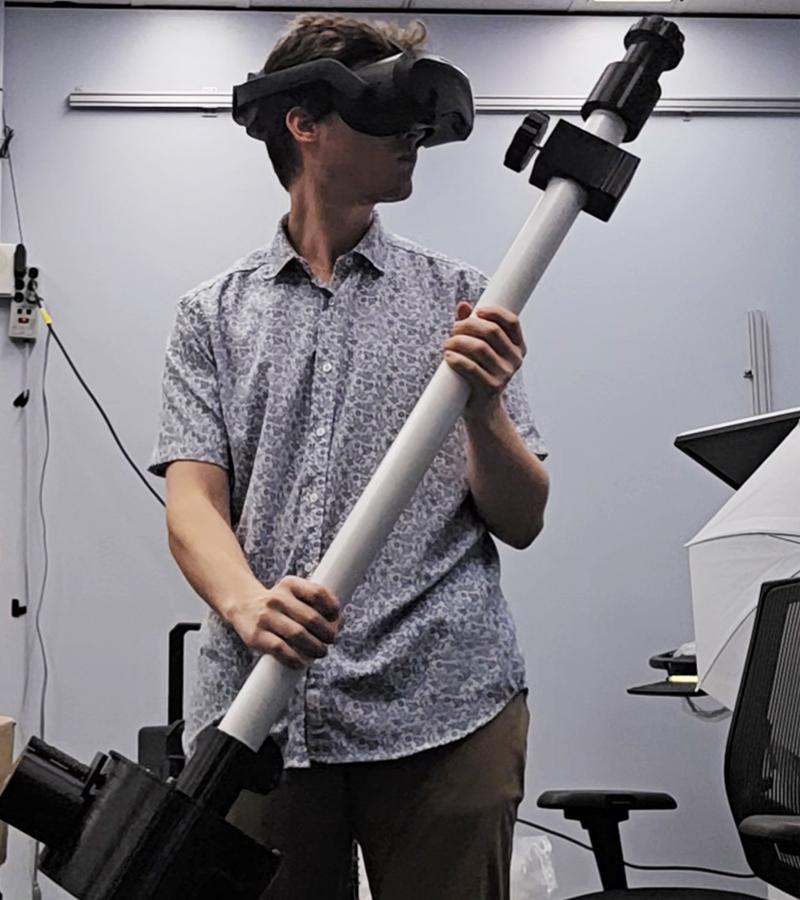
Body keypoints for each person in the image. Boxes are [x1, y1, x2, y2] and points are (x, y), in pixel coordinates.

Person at [149, 13, 549, 900]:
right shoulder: (213, 316)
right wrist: (248, 605)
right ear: (305, 122)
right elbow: (193, 504)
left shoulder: (462, 299)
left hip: (445, 707)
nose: (413, 137)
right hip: (261, 714)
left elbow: (523, 518)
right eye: (386, 112)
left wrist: (486, 411)